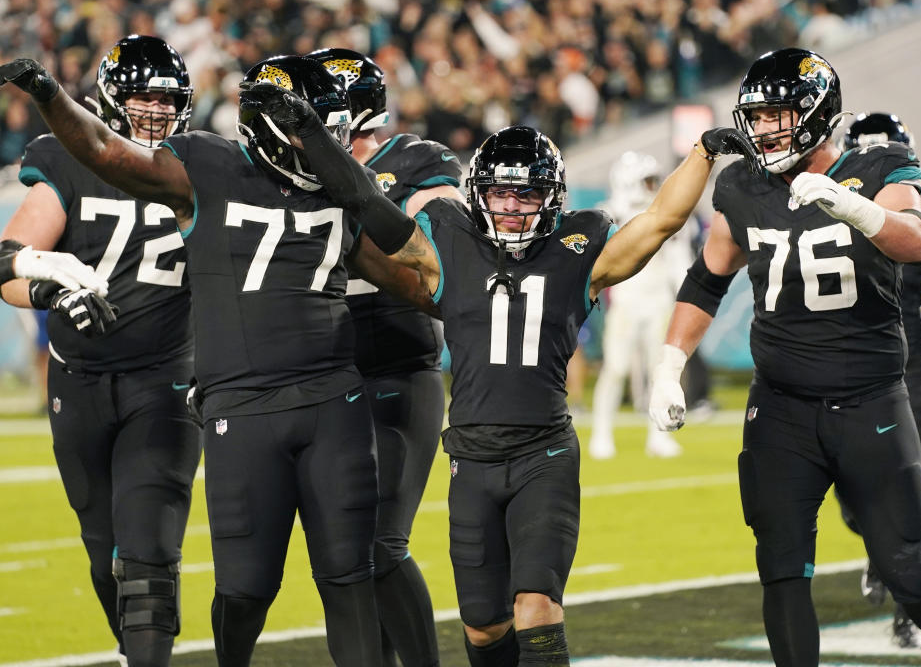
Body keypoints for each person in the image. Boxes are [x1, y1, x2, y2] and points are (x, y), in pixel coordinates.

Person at [235, 79, 756, 664]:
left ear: (551, 197)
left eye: (525, 195)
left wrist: (703, 152)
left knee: (536, 604)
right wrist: (308, 134)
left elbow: (659, 219)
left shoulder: (578, 245)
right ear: (479, 194)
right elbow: (366, 202)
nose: (510, 208)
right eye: (500, 195)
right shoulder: (450, 241)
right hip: (472, 458)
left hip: (544, 455)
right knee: (483, 626)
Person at [0, 52, 434, 667]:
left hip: (292, 396)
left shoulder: (342, 192)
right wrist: (46, 94)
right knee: (225, 584)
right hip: (205, 401)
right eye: (314, 130)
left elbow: (418, 276)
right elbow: (97, 155)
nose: (333, 145)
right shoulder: (205, 167)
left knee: (347, 574)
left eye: (334, 132)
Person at [648, 48, 921, 666]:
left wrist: (856, 209)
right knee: (782, 565)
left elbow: (914, 239)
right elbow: (707, 280)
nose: (764, 131)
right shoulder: (741, 185)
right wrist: (668, 366)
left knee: (906, 568)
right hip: (782, 405)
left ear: (818, 113)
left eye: (779, 116)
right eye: (757, 118)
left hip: (870, 399)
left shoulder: (880, 167)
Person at [1, 35, 198, 667]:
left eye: (166, 99)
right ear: (109, 98)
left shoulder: (202, 163)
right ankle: (130, 649)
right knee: (101, 547)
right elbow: (6, 266)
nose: (154, 111)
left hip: (166, 379)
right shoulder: (64, 158)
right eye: (142, 95)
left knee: (149, 548)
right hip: (80, 380)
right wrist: (53, 293)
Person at [309, 47, 464, 667]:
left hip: (397, 366)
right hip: (321, 374)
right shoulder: (292, 168)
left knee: (380, 544)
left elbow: (432, 250)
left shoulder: (418, 161)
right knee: (340, 554)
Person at [839, 112, 921, 648]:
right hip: (842, 373)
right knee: (854, 504)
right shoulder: (819, 207)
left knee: (908, 505)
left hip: (905, 373)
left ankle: (908, 613)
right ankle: (876, 550)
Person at [590, 151, 689, 459]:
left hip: (658, 300)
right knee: (615, 368)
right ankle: (601, 432)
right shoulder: (607, 214)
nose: (652, 187)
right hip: (626, 302)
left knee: (659, 372)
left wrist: (683, 294)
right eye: (647, 180)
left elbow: (678, 259)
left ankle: (657, 436)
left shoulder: (660, 213)